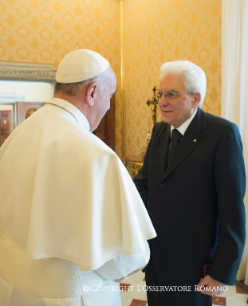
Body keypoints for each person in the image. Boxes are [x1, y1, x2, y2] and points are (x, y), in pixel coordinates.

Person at [0, 49, 156, 306]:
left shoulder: (19, 133)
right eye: (109, 96)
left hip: (14, 286)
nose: (108, 105)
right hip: (71, 293)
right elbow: (122, 260)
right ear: (92, 92)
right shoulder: (96, 155)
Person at [133, 60, 246, 306]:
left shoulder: (222, 134)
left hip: (194, 263)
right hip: (157, 255)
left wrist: (221, 272)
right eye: (161, 93)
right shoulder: (160, 130)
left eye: (171, 94)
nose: (161, 101)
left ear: (195, 99)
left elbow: (232, 209)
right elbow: (144, 185)